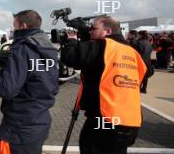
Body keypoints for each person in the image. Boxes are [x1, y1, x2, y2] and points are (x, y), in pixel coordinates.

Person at [61, 16, 147, 154]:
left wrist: (71, 39)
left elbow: (70, 57)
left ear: (107, 31)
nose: (90, 31)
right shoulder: (132, 51)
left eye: (93, 28)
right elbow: (148, 71)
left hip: (105, 118)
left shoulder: (103, 46)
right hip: (131, 120)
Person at [0, 10, 59, 154]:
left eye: (14, 26)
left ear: (23, 26)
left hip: (19, 127)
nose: (13, 30)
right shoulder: (48, 48)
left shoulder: (23, 48)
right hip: (39, 122)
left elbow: (7, 89)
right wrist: (6, 60)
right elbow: (50, 84)